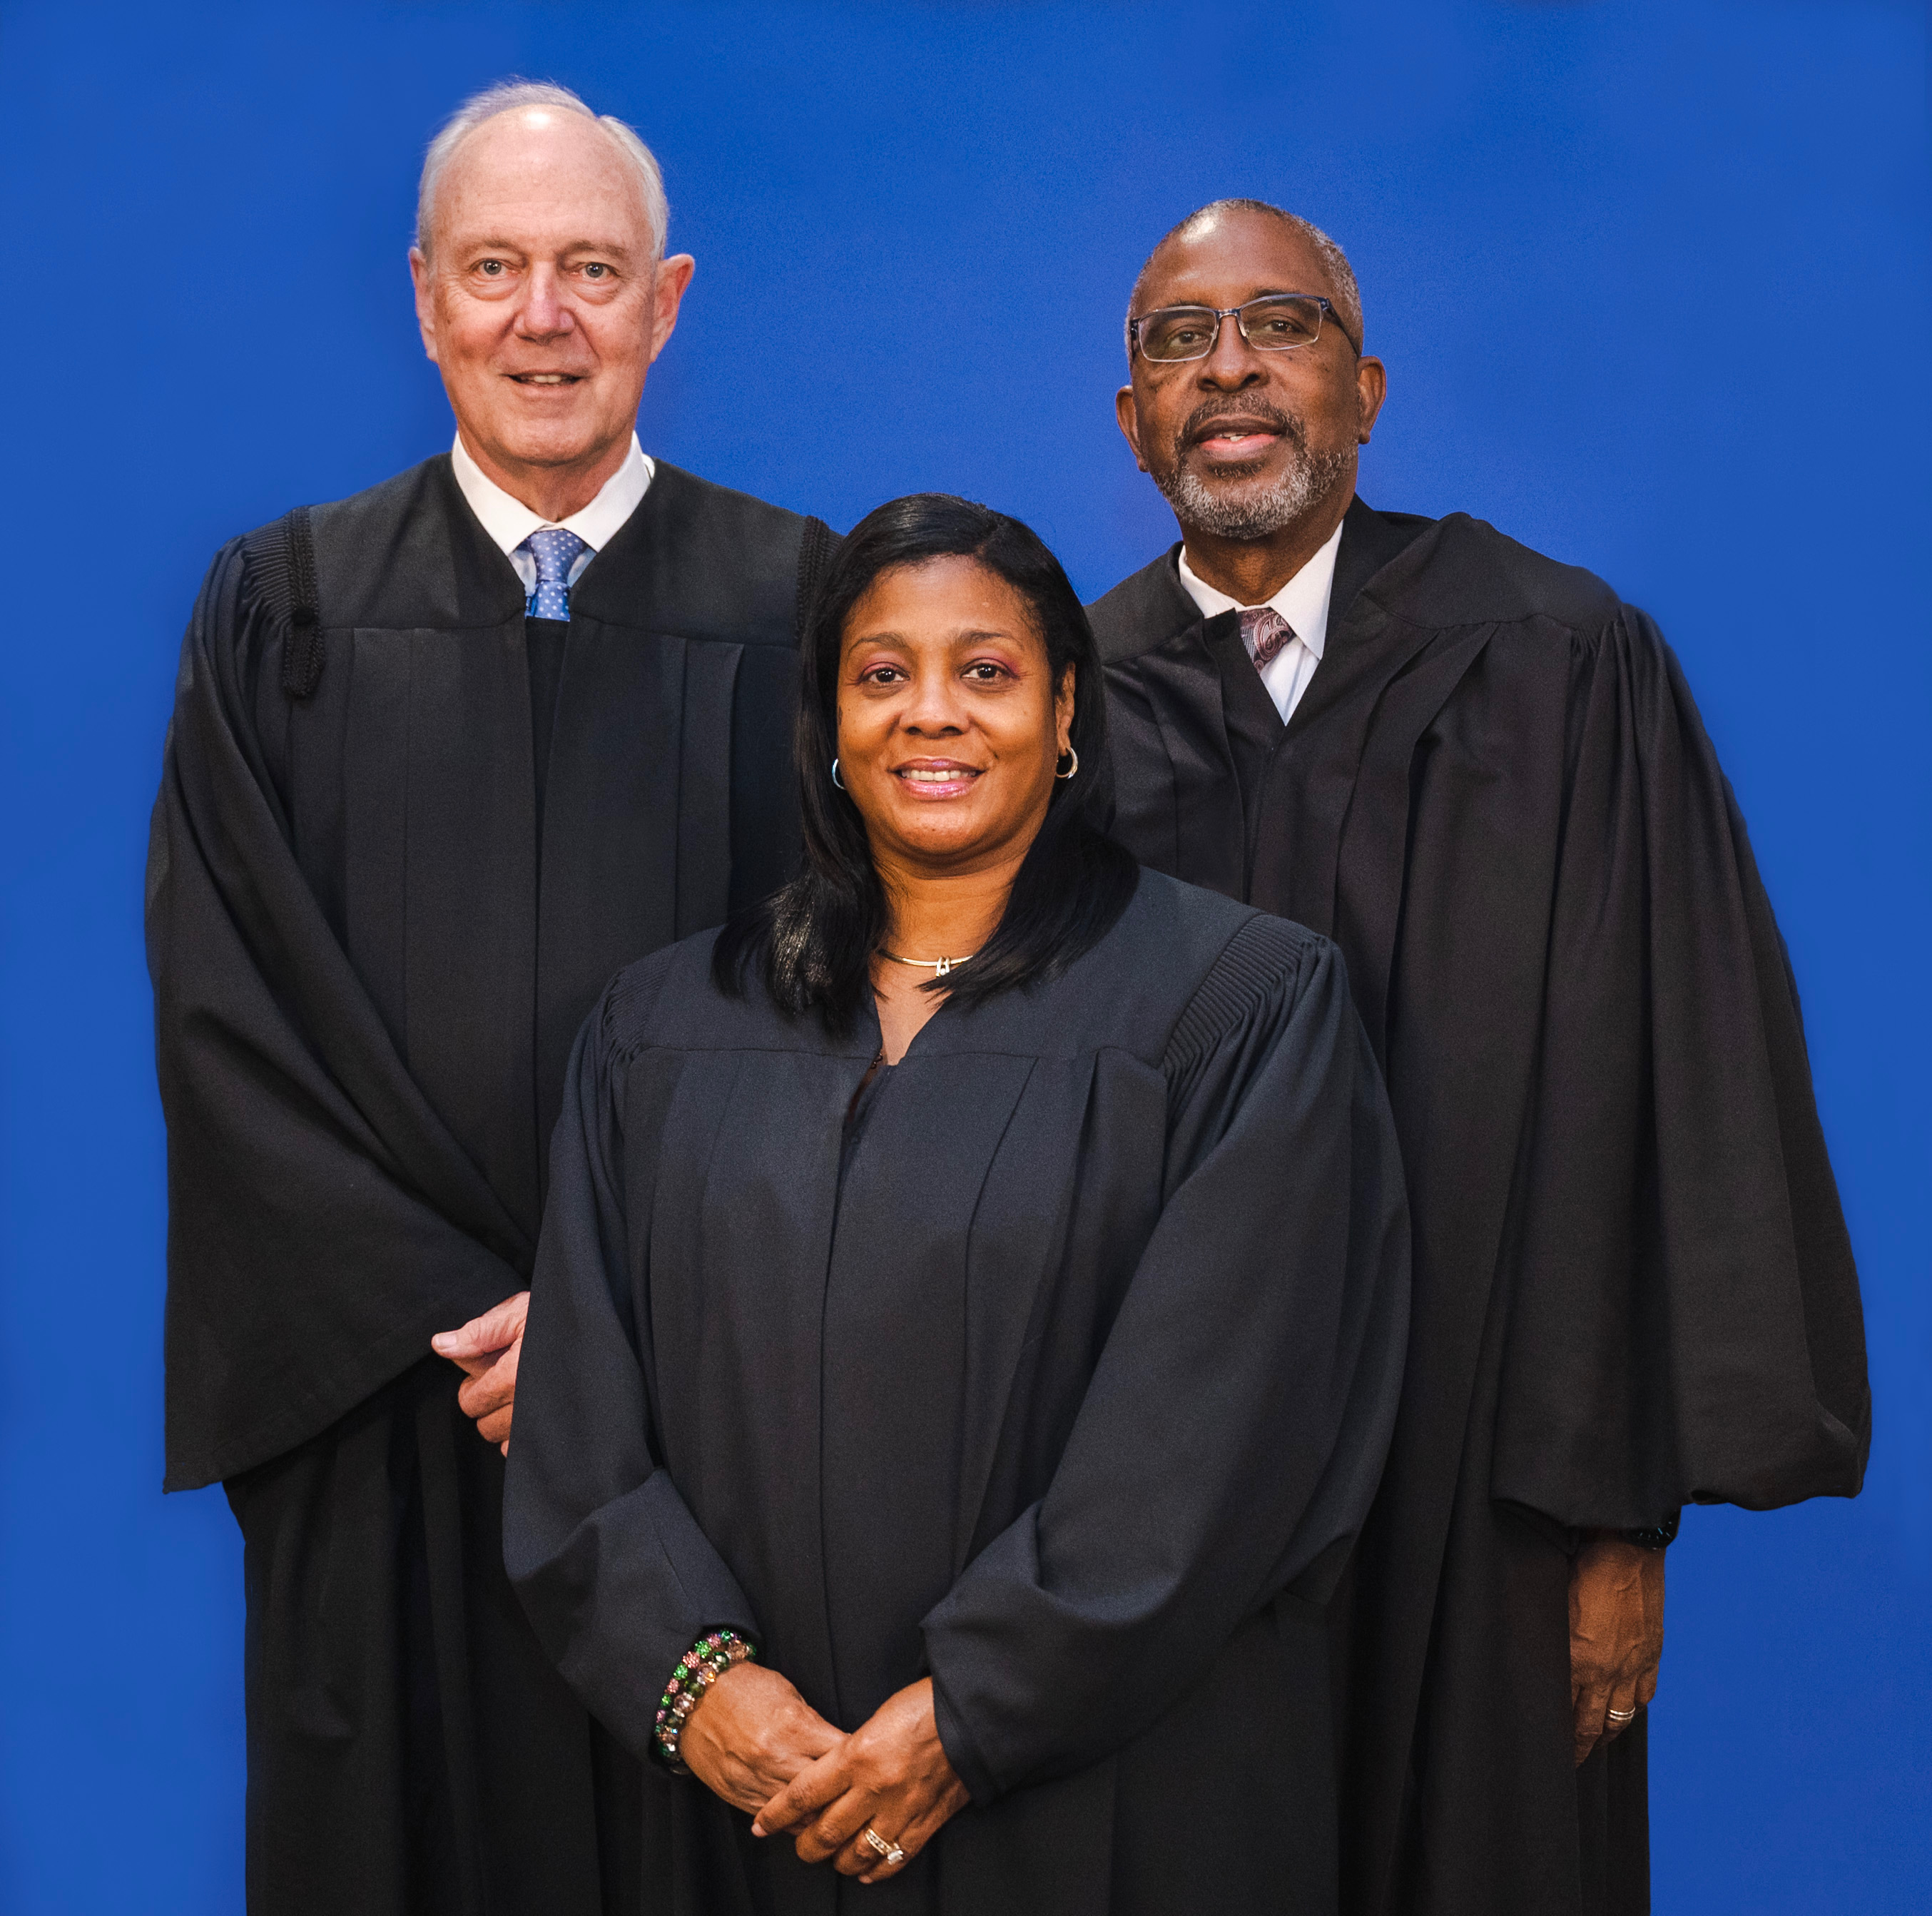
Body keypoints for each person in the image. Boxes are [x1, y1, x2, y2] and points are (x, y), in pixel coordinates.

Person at [1087, 197, 1871, 1916]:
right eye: (1176, 339)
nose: (1228, 368)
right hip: (1152, 1518)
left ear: (1364, 390)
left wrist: (1615, 1519)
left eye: (1278, 325)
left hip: (1494, 1495)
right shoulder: (1054, 708)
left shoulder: (1561, 657)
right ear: (1129, 419)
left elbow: (1680, 1095)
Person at [502, 493, 1412, 1915]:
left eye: (984, 670)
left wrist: (971, 1707)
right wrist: (698, 1680)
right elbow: (577, 1412)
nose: (931, 713)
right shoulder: (664, 1022)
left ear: (1063, 713)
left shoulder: (1238, 1003)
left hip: (1112, 1800)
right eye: (882, 675)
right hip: (757, 1800)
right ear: (832, 723)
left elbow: (1222, 1429)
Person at [146, 80, 834, 1916]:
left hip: (712, 1423)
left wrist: (627, 1326)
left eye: (591, 269)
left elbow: (858, 1014)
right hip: (388, 1409)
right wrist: (477, 1320)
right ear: (428, 296)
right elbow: (231, 1025)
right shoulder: (280, 608)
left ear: (666, 300)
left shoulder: (808, 607)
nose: (546, 317)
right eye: (499, 269)